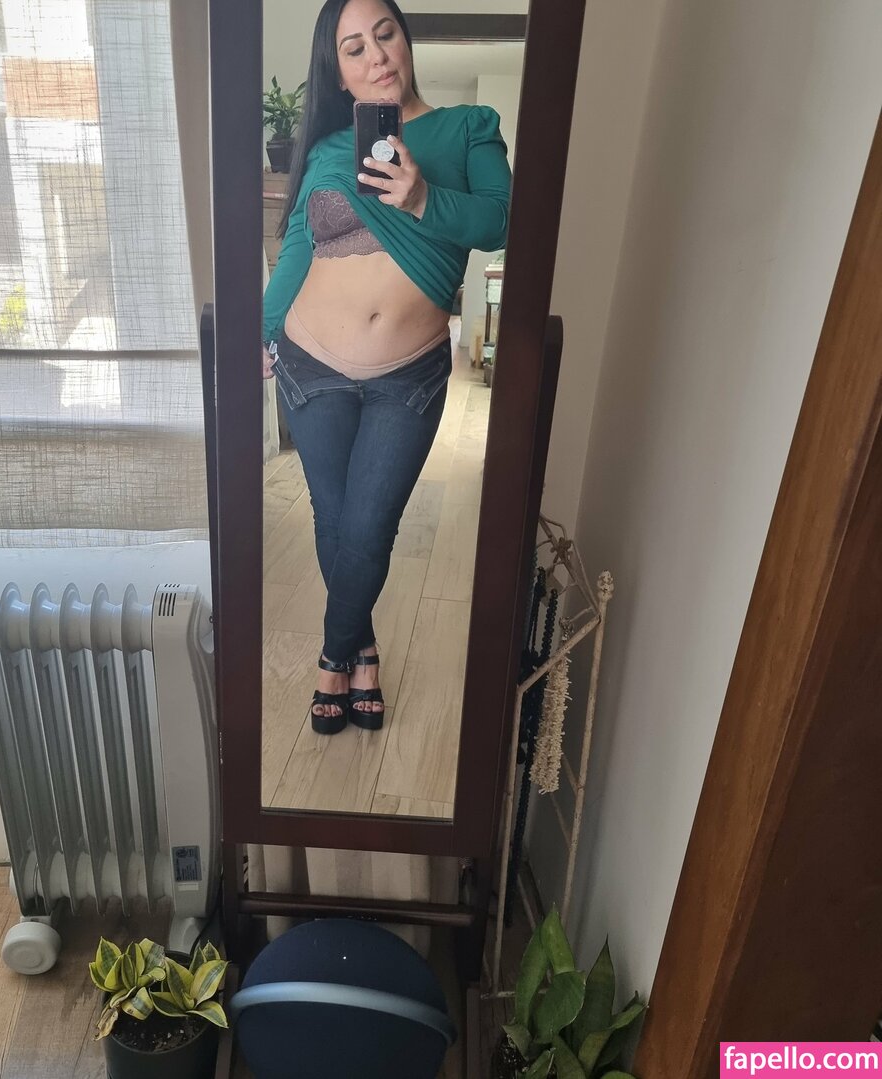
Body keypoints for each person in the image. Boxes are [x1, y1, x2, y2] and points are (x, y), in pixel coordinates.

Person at [262, 0, 511, 735]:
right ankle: (362, 652)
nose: (375, 56)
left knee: (369, 527)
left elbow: (500, 221)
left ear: (405, 40)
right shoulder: (329, 149)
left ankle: (332, 657)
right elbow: (299, 248)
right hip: (311, 363)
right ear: (337, 71)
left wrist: (423, 196)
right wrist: (262, 333)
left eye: (385, 34)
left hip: (408, 375)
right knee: (336, 517)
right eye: (353, 48)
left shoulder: (468, 128)